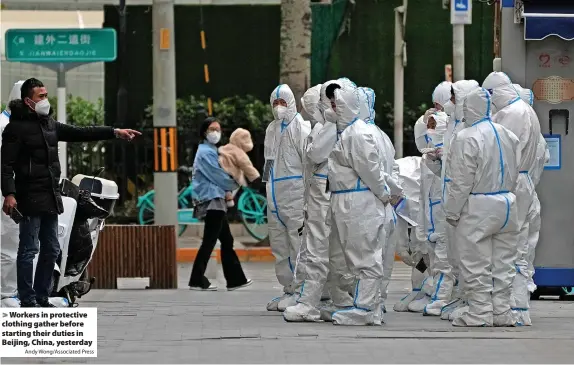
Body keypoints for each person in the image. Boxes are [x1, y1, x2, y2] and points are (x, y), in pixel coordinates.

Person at [0, 78, 140, 308]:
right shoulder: (14, 128)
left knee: (52, 248)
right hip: (28, 196)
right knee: (28, 248)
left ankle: (42, 296)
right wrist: (9, 194)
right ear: (28, 101)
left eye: (46, 95)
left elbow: (81, 132)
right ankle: (27, 299)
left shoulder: (50, 125)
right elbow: (5, 166)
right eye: (40, 96)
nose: (46, 100)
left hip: (50, 196)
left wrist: (114, 132)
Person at [443, 87, 521, 327]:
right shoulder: (507, 134)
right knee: (504, 263)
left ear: (469, 108)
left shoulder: (466, 137)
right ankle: (502, 312)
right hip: (508, 203)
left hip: (479, 205)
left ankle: (479, 312)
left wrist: (452, 211)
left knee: (475, 262)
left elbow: (461, 180)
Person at [325, 81, 389, 326]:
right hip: (349, 200)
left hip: (358, 201)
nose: (332, 107)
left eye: (337, 104)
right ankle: (370, 308)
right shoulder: (348, 132)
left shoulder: (357, 133)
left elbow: (371, 170)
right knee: (357, 255)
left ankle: (364, 309)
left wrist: (384, 194)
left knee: (364, 256)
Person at [482, 72, 541, 325]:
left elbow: (500, 151)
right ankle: (516, 307)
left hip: (512, 183)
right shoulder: (524, 110)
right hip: (523, 183)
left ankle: (513, 308)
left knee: (509, 247)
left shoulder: (512, 114)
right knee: (519, 244)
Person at [433, 79, 480, 319]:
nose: (449, 103)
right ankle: (460, 297)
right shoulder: (456, 123)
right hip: (452, 194)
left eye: (454, 98)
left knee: (468, 254)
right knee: (455, 252)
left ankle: (470, 301)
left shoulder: (471, 130)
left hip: (466, 200)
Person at [188, 118, 253, 291]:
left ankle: (235, 280)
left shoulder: (211, 150)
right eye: (211, 129)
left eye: (218, 129)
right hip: (211, 200)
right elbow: (218, 175)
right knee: (210, 241)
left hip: (215, 200)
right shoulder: (205, 153)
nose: (215, 132)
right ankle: (197, 279)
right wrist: (236, 183)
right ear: (204, 132)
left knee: (225, 240)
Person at [264, 84, 312, 311]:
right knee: (280, 246)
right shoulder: (271, 129)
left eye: (283, 103)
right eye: (275, 103)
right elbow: (268, 161)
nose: (279, 108)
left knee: (298, 244)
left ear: (292, 103)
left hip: (294, 195)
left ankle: (301, 290)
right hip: (274, 196)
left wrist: (306, 197)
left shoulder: (301, 128)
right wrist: (266, 186)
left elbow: (308, 163)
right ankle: (288, 289)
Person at [511, 84, 548, 326]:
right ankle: (521, 307)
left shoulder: (514, 129)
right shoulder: (539, 139)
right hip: (530, 194)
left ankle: (514, 307)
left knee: (512, 250)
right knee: (524, 252)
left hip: (518, 193)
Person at [0, 80, 25, 306]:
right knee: (9, 244)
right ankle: (7, 293)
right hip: (8, 194)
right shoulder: (5, 126)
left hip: (15, 193)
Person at [217, 127, 261, 206]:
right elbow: (247, 167)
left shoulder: (227, 147)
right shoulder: (239, 153)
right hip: (230, 175)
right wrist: (256, 178)